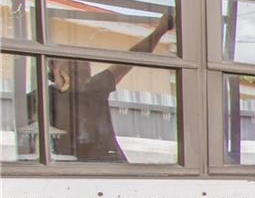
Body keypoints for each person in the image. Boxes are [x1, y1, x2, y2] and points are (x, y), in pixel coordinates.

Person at [45, 10, 174, 162]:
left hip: (112, 164)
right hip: (74, 170)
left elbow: (134, 56)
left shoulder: (95, 88)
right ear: (57, 69)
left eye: (87, 67)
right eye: (77, 68)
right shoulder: (45, 97)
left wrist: (160, 30)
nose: (85, 72)